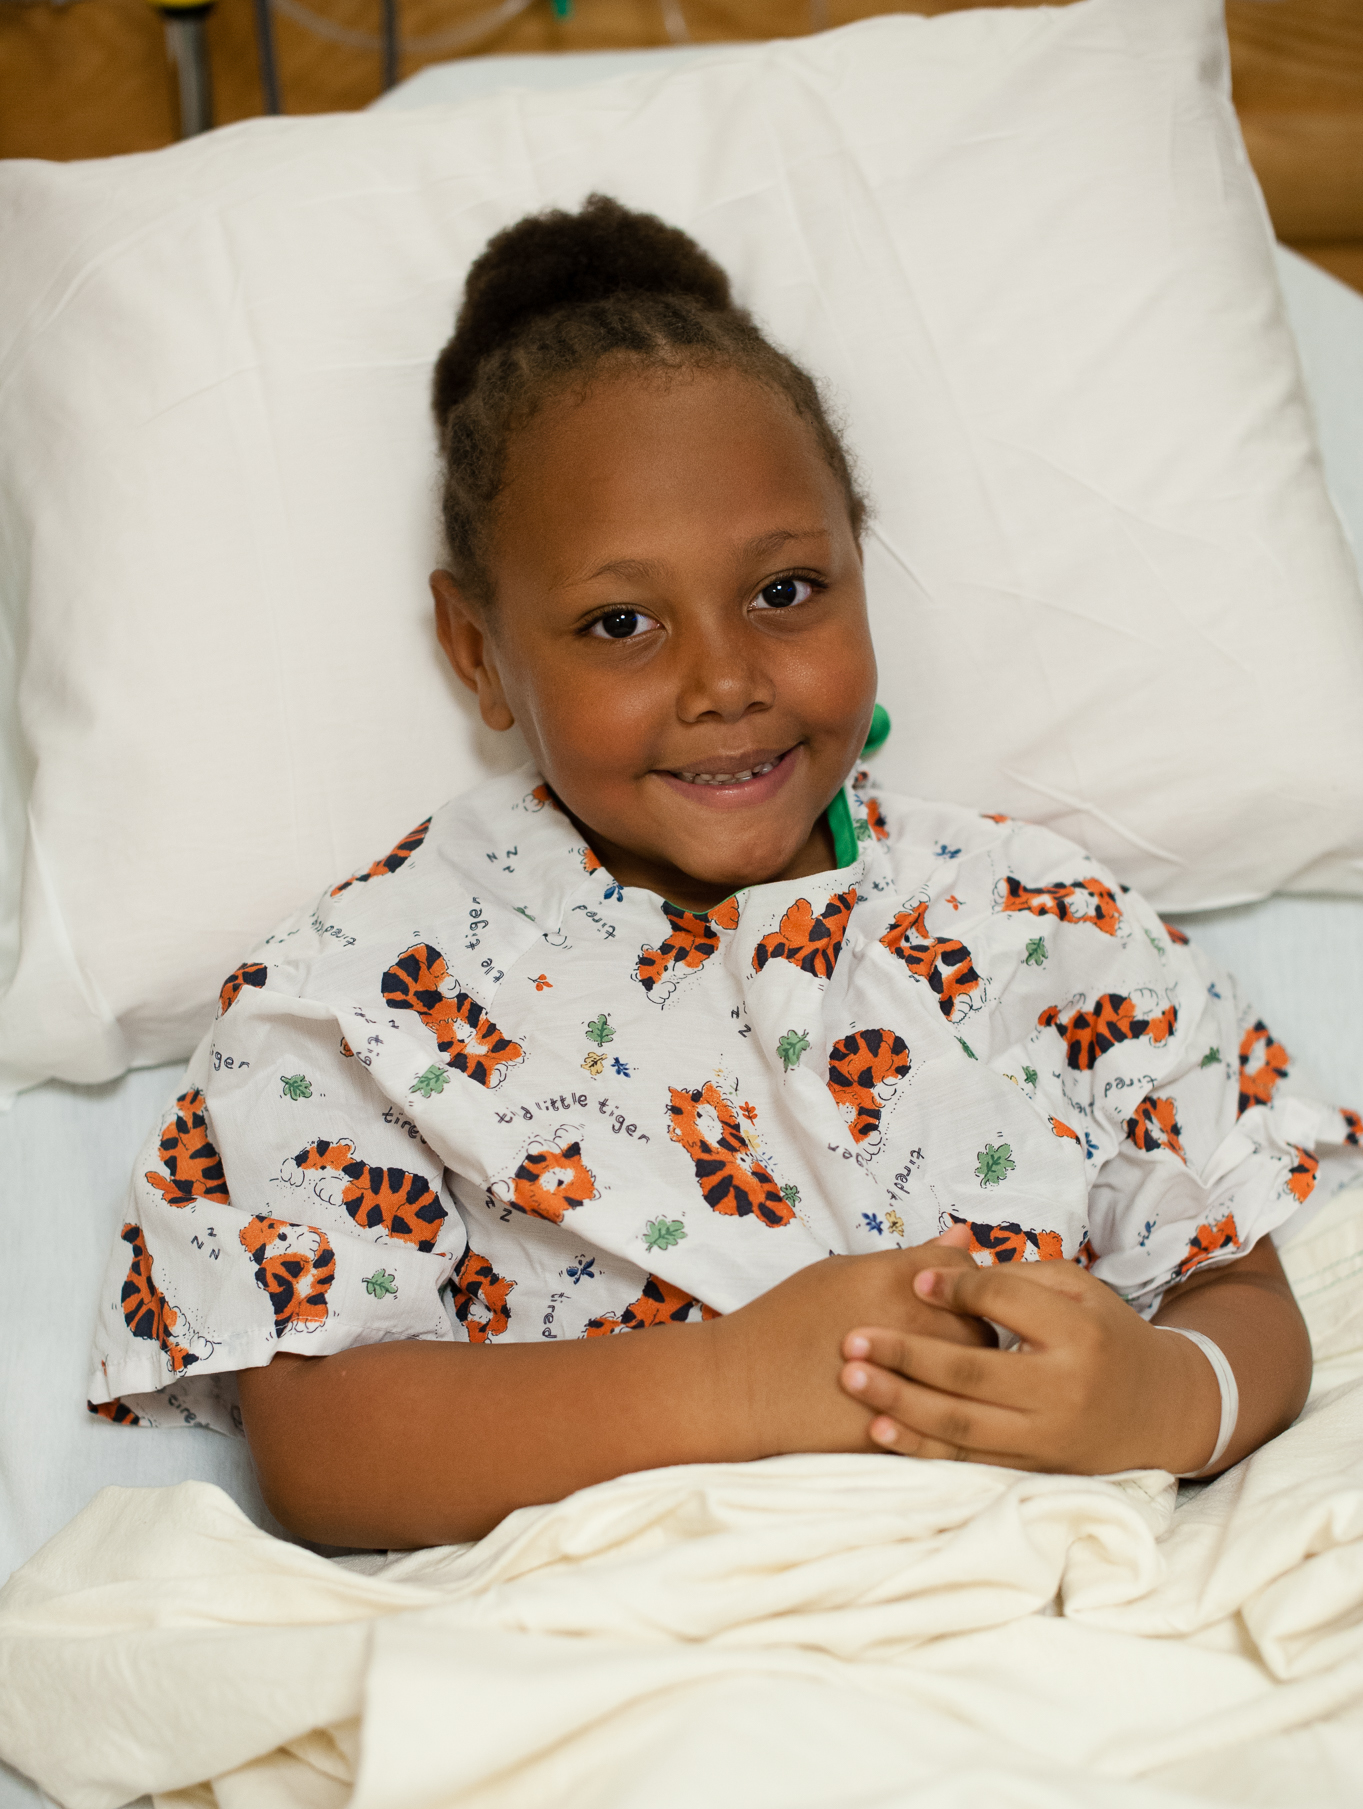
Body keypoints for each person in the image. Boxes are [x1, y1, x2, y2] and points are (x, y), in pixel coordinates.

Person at [90, 196, 1358, 1551]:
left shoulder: (1037, 923)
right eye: (620, 623)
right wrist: (733, 1380)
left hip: (1048, 1602)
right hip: (641, 1635)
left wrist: (1167, 1398)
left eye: (787, 592)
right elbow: (327, 1454)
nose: (726, 682)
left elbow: (1239, 1287)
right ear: (476, 651)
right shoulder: (370, 1000)